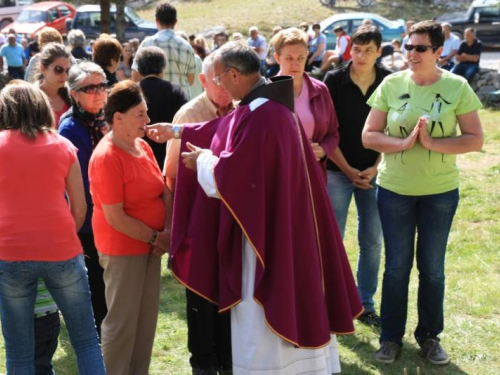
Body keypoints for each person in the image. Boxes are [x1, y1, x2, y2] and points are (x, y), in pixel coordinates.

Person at [147, 42, 362, 375]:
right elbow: (223, 129)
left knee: (263, 312)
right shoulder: (266, 107)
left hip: (269, 234)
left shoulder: (262, 115)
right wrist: (177, 130)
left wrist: (201, 161)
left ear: (234, 75)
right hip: (282, 226)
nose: (216, 84)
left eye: (218, 78)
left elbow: (236, 175)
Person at [362, 20, 483, 365]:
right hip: (394, 191)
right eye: (408, 47)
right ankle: (389, 339)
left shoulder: (457, 86)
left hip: (440, 193)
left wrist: (433, 143)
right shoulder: (391, 83)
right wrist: (402, 142)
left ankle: (429, 337)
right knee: (396, 267)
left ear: (438, 51)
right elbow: (369, 135)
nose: (412, 54)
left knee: (432, 268)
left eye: (420, 48)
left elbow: (475, 139)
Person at [0, 80, 106, 375]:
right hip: (62, 249)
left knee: (19, 352)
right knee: (86, 342)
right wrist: (61, 236)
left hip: (10, 252)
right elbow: (80, 207)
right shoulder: (62, 145)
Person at [88, 80, 171, 375]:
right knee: (122, 325)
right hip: (123, 250)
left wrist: (167, 232)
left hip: (151, 247)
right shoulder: (106, 156)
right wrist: (157, 238)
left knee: (145, 322)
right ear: (118, 118)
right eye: (140, 114)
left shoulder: (143, 147)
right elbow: (116, 217)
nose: (147, 121)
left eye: (146, 113)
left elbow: (163, 190)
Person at [164, 53, 234, 375]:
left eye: (227, 79)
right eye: (216, 80)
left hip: (231, 219)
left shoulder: (239, 110)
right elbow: (172, 174)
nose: (223, 87)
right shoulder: (188, 114)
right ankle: (202, 362)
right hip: (198, 222)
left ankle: (228, 357)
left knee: (230, 289)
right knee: (200, 292)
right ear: (203, 81)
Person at [324, 25, 392, 328]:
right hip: (338, 171)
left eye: (368, 50)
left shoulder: (391, 80)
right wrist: (348, 169)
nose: (361, 56)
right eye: (356, 49)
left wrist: (376, 167)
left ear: (379, 52)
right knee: (332, 240)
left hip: (376, 172)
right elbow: (328, 132)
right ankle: (333, 302)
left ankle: (366, 303)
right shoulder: (334, 80)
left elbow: (394, 129)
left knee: (372, 241)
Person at [58, 61, 109, 338]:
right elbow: (81, 187)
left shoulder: (104, 119)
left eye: (102, 85)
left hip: (109, 217)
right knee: (97, 291)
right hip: (88, 222)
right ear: (74, 93)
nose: (99, 92)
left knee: (110, 289)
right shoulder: (70, 129)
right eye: (90, 88)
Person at [273, 27, 339, 178]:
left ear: (307, 56)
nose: (295, 64)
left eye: (300, 58)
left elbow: (333, 134)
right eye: (289, 58)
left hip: (313, 174)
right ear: (277, 58)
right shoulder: (266, 93)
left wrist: (323, 150)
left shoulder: (320, 90)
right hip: (280, 176)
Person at [136, 46, 188, 168]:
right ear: (162, 68)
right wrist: (176, 133)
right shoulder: (175, 90)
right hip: (169, 154)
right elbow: (186, 121)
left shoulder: (133, 91)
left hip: (139, 154)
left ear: (139, 69)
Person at [131, 2, 196, 99]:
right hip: (180, 102)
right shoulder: (186, 46)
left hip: (153, 100)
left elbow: (135, 76)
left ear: (156, 21)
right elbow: (190, 80)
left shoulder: (147, 44)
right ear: (175, 21)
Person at [36, 43, 72, 127]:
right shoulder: (31, 99)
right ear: (42, 68)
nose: (65, 76)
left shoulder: (71, 95)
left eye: (68, 70)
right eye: (58, 69)